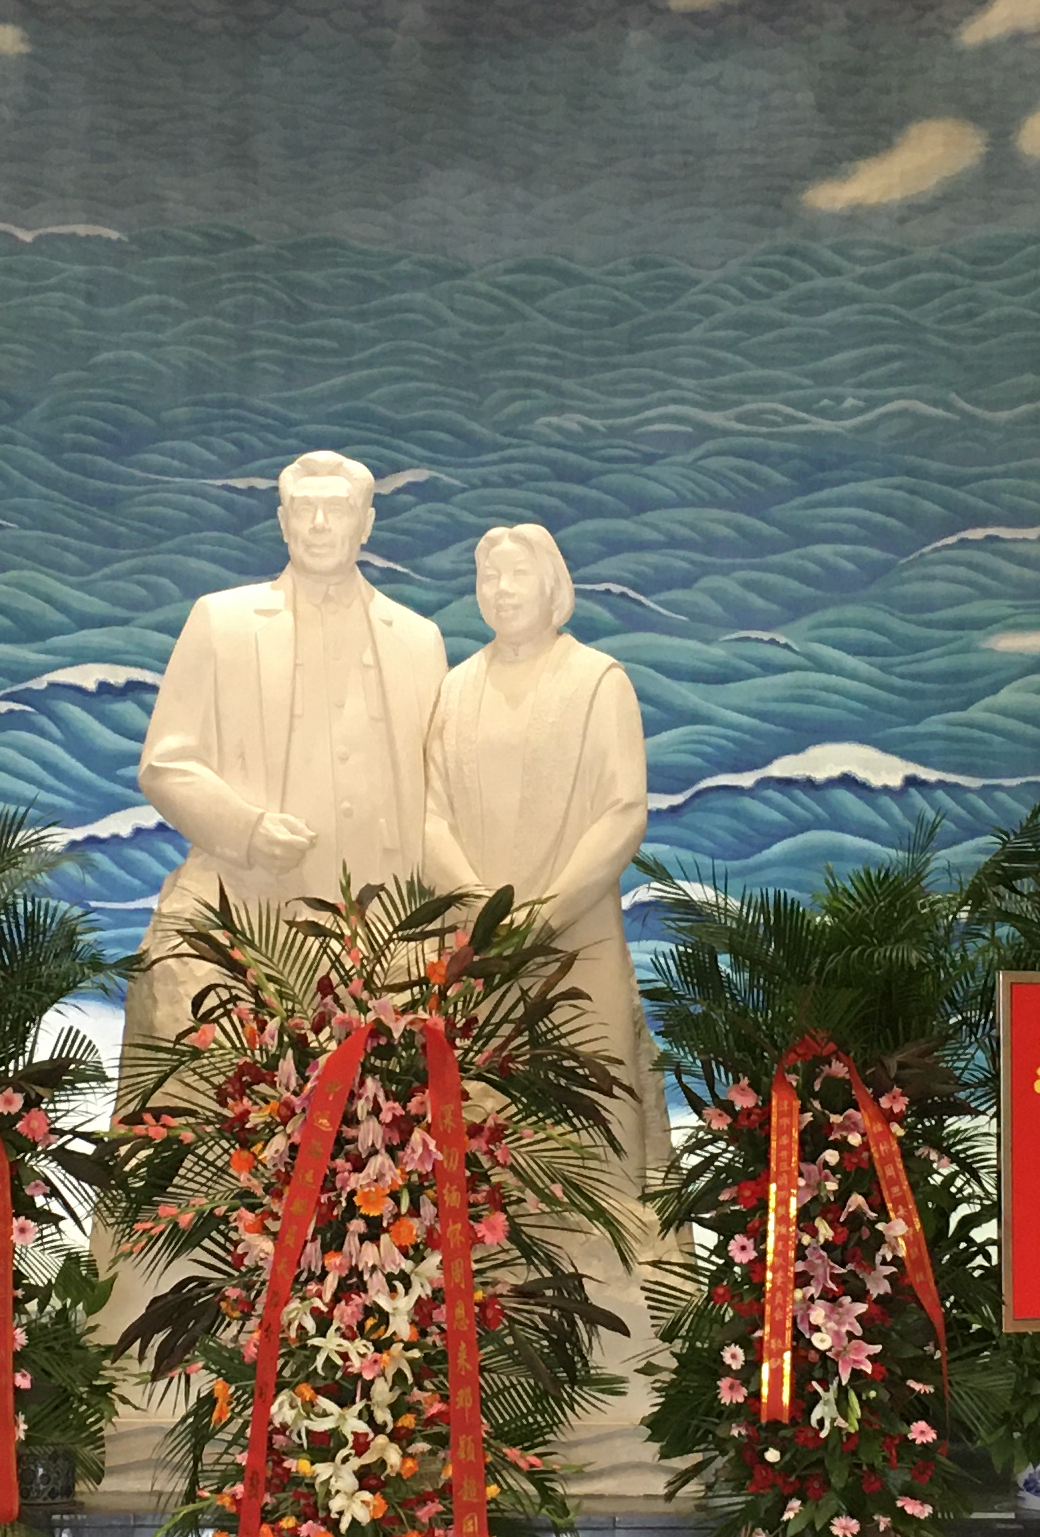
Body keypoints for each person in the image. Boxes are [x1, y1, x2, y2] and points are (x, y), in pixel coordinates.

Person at [129, 447, 449, 1061]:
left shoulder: (417, 640)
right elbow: (166, 763)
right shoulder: (221, 622)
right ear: (282, 522)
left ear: (366, 524)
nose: (320, 524)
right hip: (253, 906)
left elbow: (441, 788)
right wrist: (246, 830)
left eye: (338, 509)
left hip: (387, 928)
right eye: (305, 509)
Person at [423, 522, 662, 1203]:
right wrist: (478, 907)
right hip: (474, 950)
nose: (502, 590)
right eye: (489, 576)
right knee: (478, 1125)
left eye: (518, 575)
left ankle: (610, 1260)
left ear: (552, 584)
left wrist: (545, 915)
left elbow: (623, 812)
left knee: (595, 1114)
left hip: (578, 943)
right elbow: (428, 815)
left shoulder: (598, 682)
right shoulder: (455, 689)